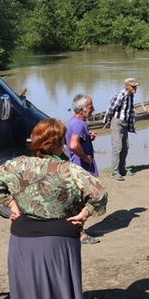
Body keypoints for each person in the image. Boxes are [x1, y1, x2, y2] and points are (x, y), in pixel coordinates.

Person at [0, 118, 107, 299]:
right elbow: (99, 194)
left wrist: (12, 205)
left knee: (26, 289)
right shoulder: (69, 169)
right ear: (59, 143)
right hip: (60, 240)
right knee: (56, 291)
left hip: (23, 239)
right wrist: (84, 214)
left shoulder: (17, 165)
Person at [66, 93, 101, 244]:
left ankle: (79, 231)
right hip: (81, 168)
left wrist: (87, 137)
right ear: (82, 110)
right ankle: (80, 234)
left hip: (75, 167)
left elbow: (73, 141)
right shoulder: (79, 124)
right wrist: (86, 158)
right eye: (91, 107)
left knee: (79, 201)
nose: (93, 109)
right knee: (88, 200)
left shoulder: (72, 122)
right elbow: (74, 145)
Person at [103, 78, 139, 181]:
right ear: (126, 86)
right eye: (133, 86)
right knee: (117, 147)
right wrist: (106, 121)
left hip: (125, 123)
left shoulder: (130, 96)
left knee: (125, 147)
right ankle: (115, 172)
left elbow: (129, 109)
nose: (135, 88)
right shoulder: (120, 95)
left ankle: (122, 169)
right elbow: (111, 108)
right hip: (117, 123)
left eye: (135, 86)